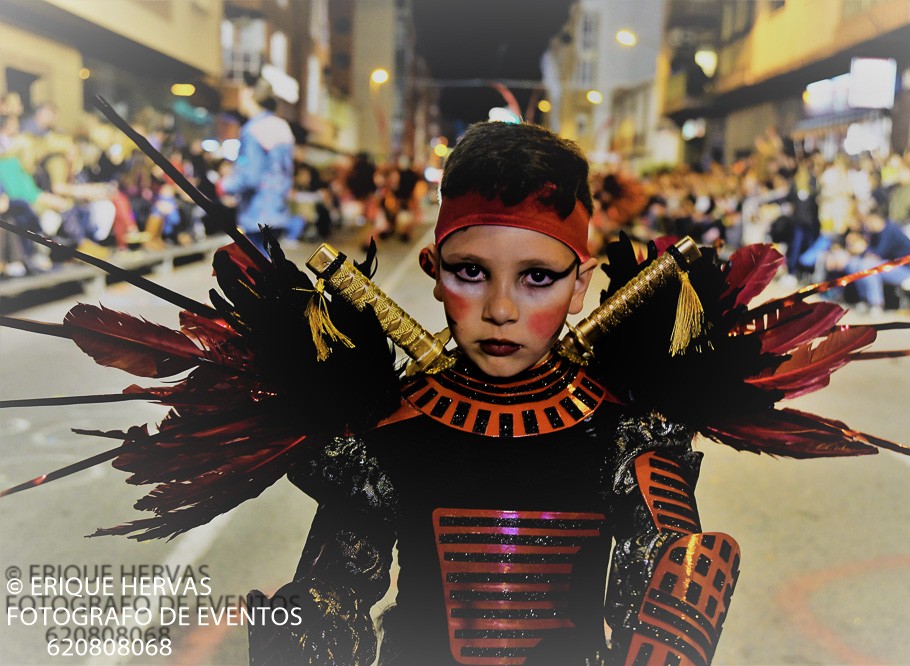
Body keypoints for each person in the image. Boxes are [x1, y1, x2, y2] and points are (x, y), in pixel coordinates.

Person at [247, 121, 738, 664]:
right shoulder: (389, 429)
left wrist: (675, 610)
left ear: (580, 284)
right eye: (472, 272)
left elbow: (674, 576)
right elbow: (332, 591)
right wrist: (304, 630)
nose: (501, 310)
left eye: (537, 277)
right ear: (433, 271)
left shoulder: (626, 437)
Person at [219, 73, 296, 252]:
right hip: (278, 211)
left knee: (258, 271)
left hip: (257, 213)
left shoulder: (253, 130)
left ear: (250, 93)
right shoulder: (281, 126)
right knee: (273, 264)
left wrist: (225, 186)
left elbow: (250, 176)